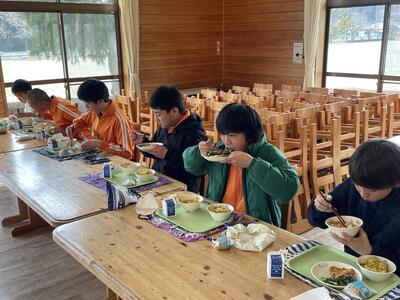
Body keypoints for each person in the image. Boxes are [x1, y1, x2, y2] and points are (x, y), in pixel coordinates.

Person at [183, 103, 300, 226]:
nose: (226, 141)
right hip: (217, 218)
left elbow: (289, 190)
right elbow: (191, 167)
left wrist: (252, 164)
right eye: (223, 134)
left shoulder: (268, 153)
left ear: (249, 134)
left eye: (232, 135)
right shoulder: (219, 150)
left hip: (254, 225)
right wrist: (198, 152)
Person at [308, 139, 400, 275]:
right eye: (358, 185)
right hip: (352, 269)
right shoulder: (352, 186)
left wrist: (368, 252)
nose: (363, 193)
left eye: (371, 190)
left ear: (396, 182)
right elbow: (316, 221)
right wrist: (320, 208)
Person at [129, 85, 207, 193]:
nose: (156, 119)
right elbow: (155, 150)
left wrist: (167, 155)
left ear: (174, 111)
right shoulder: (166, 125)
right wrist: (142, 142)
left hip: (180, 190)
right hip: (157, 180)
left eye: (158, 114)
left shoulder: (194, 133)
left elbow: (196, 170)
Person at [66, 79, 133, 159]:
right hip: (98, 157)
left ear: (100, 101)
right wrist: (73, 127)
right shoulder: (95, 111)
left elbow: (127, 153)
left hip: (114, 163)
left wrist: (100, 144)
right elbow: (82, 121)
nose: (86, 107)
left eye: (88, 104)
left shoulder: (119, 119)